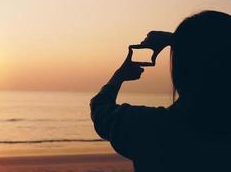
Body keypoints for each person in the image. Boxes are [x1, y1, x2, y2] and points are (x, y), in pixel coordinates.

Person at [90, 10, 231, 172]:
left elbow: (100, 108)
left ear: (181, 70)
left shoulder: (149, 127)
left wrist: (119, 76)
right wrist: (179, 40)